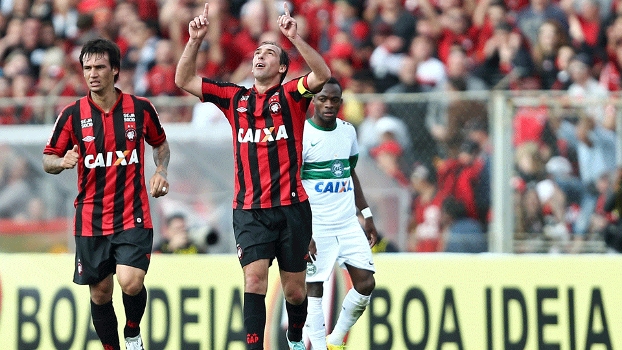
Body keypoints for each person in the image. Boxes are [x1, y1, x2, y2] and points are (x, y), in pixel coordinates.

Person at [174, 3, 331, 350]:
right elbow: (183, 80)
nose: (260, 55)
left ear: (282, 67)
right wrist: (194, 40)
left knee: (293, 289)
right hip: (249, 209)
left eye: (270, 52)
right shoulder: (235, 98)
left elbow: (322, 75)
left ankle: (293, 338)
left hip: (292, 208)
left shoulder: (292, 95)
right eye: (258, 51)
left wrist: (294, 37)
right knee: (255, 279)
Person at [42, 38, 170, 350]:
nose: (92, 73)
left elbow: (160, 145)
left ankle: (132, 331)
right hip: (91, 219)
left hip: (132, 212)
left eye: (100, 67)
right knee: (100, 293)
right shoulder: (72, 115)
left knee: (130, 281)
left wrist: (161, 171)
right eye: (87, 68)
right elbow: (47, 160)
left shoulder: (140, 109)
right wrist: (62, 161)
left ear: (115, 70)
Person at [301, 78, 376, 350]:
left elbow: (349, 172)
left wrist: (366, 213)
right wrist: (302, 230)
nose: (329, 104)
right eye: (323, 99)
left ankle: (335, 339)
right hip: (316, 225)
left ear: (341, 102)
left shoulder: (347, 131)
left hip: (346, 223)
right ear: (313, 101)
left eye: (334, 99)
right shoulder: (303, 136)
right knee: (315, 289)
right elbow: (293, 186)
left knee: (366, 283)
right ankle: (319, 347)